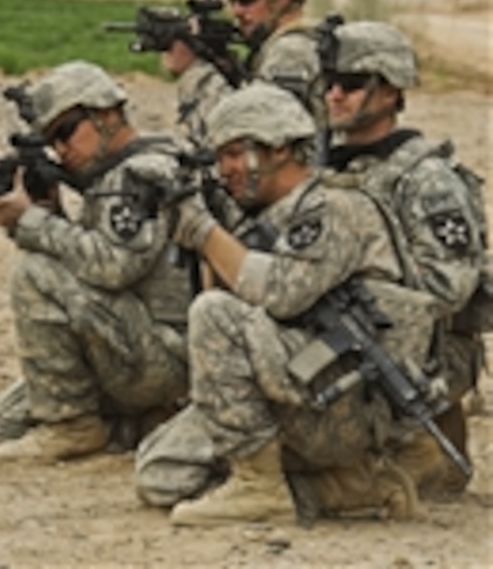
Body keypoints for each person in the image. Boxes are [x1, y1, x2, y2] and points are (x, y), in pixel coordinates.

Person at [135, 82, 445, 526]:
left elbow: (282, 294)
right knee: (161, 474)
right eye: (220, 157)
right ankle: (344, 487)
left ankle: (260, 488)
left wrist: (204, 232)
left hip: (344, 402)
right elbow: (223, 299)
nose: (225, 169)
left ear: (279, 149)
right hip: (296, 387)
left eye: (235, 153)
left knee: (214, 317)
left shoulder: (337, 207)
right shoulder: (268, 215)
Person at [0, 60, 193, 464]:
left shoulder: (143, 172)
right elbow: (89, 265)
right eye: (52, 140)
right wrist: (52, 213)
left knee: (33, 274)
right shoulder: (113, 174)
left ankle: (74, 428)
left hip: (167, 351)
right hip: (132, 341)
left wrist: (31, 222)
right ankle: (148, 422)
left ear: (107, 115)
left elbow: (114, 267)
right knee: (10, 420)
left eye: (66, 131)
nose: (61, 149)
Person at [321, 19, 486, 493]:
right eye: (330, 84)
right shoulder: (330, 168)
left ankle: (424, 452)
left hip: (425, 355)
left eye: (351, 85)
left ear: (391, 92)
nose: (335, 95)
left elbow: (449, 288)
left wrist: (357, 272)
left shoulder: (425, 179)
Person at [210, 0, 328, 148]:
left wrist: (195, 73)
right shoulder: (284, 45)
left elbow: (254, 140)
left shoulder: (291, 52)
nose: (236, 11)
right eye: (232, 0)